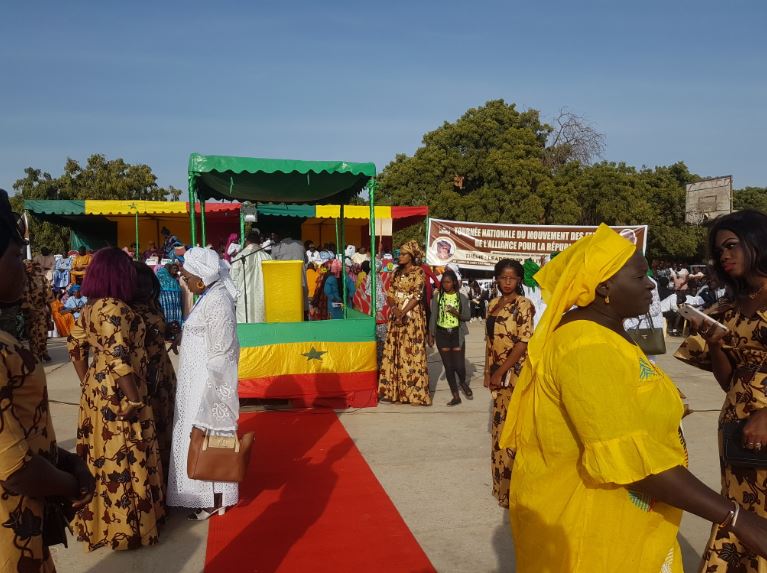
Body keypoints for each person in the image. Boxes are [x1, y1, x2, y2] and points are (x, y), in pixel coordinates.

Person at [499, 224, 767, 572]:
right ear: (605, 286)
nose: (652, 284)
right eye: (640, 276)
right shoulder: (587, 347)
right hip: (594, 531)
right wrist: (736, 518)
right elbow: (632, 462)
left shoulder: (610, 335)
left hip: (624, 522)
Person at [0, 189, 95, 572]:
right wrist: (72, 486)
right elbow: (16, 469)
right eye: (13, 255)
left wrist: (65, 460)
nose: (21, 267)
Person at [675, 210, 767, 571]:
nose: (724, 256)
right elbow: (729, 381)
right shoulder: (727, 309)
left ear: (757, 242)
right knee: (742, 509)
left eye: (732, 246)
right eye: (719, 251)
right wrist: (715, 344)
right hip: (735, 425)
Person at [67, 247, 165, 550]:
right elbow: (120, 359)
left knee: (103, 458)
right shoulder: (114, 308)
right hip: (123, 393)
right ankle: (126, 530)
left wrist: (88, 383)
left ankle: (107, 523)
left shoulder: (91, 307)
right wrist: (134, 400)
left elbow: (74, 347)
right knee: (124, 456)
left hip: (101, 391)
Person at [167, 247, 240, 520]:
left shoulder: (218, 300)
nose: (183, 278)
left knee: (210, 439)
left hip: (207, 386)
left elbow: (222, 353)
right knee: (200, 440)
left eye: (186, 274)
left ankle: (216, 499)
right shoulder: (208, 296)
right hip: (195, 383)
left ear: (200, 277)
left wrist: (213, 397)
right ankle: (203, 495)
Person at [484, 259, 534, 507]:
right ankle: (500, 485)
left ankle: (515, 487)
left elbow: (523, 343)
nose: (507, 282)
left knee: (514, 428)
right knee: (498, 430)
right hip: (496, 375)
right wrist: (488, 373)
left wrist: (500, 371)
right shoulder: (492, 305)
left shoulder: (524, 305)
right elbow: (489, 343)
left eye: (512, 278)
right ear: (496, 278)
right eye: (503, 277)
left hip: (515, 374)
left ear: (519, 280)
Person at [132, 263, 178, 487]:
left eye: (146, 283)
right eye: (138, 283)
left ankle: (171, 480)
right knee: (152, 426)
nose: (143, 287)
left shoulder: (152, 304)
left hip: (163, 370)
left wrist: (170, 330)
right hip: (144, 375)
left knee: (167, 422)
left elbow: (158, 331)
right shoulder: (126, 310)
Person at [378, 241, 431, 406]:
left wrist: (402, 311)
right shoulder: (395, 272)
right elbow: (390, 293)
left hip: (412, 317)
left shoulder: (419, 272)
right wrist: (394, 309)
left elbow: (418, 295)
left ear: (412, 256)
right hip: (396, 316)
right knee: (397, 352)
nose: (399, 256)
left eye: (403, 254)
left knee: (412, 352)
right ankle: (396, 393)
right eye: (399, 254)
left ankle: (414, 395)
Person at [427, 268, 471, 406]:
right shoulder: (437, 297)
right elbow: (433, 316)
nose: (446, 285)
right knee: (449, 366)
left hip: (456, 334)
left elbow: (467, 316)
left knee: (459, 365)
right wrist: (431, 334)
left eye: (448, 282)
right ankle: (456, 396)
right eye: (443, 282)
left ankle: (463, 382)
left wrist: (455, 312)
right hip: (442, 334)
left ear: (454, 283)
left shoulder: (461, 297)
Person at [231, 230, 271, 323]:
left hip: (244, 300)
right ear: (259, 242)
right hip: (263, 299)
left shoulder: (240, 256)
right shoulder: (267, 257)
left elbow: (233, 279)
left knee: (245, 330)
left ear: (247, 241)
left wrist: (235, 299)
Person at [21, 259, 54, 362]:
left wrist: (49, 307)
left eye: (30, 266)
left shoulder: (41, 278)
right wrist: (30, 309)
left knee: (43, 332)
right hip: (29, 311)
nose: (28, 269)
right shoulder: (22, 279)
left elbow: (48, 293)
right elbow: (24, 296)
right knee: (32, 334)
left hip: (41, 309)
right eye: (26, 267)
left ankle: (44, 352)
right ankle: (35, 354)